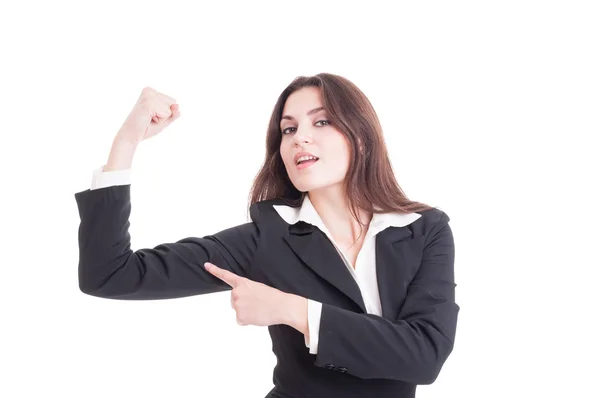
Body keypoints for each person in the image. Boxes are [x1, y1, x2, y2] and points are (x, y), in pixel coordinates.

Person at [74, 73, 459, 398]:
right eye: (289, 129)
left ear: (360, 136)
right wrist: (125, 143)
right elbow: (110, 274)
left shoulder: (423, 230)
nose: (298, 138)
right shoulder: (267, 239)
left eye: (320, 122)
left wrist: (292, 310)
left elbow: (425, 356)